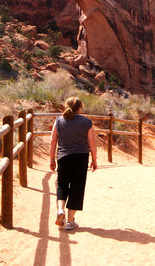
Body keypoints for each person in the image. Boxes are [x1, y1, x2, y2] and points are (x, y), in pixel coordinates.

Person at [49, 96, 97, 230]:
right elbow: (91, 143)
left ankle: (60, 210)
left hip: (64, 157)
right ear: (80, 108)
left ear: (66, 106)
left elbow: (53, 142)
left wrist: (51, 159)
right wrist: (94, 159)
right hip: (81, 157)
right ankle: (70, 221)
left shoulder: (59, 121)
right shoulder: (87, 122)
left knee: (62, 184)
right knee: (77, 187)